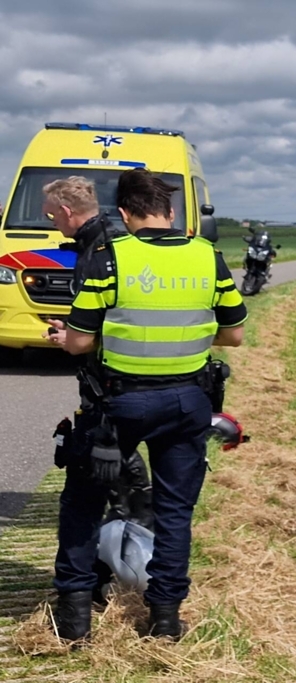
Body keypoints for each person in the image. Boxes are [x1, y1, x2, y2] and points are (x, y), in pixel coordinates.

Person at [45, 169, 247, 643]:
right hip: (188, 401)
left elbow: (78, 343)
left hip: (118, 404)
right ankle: (165, 622)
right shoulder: (208, 257)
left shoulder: (109, 256)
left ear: (123, 213)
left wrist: (63, 337)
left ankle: (74, 622)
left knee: (82, 503)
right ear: (171, 212)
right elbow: (234, 334)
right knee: (175, 511)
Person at [41, 178, 155, 594]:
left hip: (109, 379)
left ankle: (100, 578)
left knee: (92, 482)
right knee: (115, 470)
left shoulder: (101, 249)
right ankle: (123, 558)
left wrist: (70, 339)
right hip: (113, 375)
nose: (50, 221)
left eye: (51, 214)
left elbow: (111, 320)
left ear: (67, 212)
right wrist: (71, 329)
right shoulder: (106, 240)